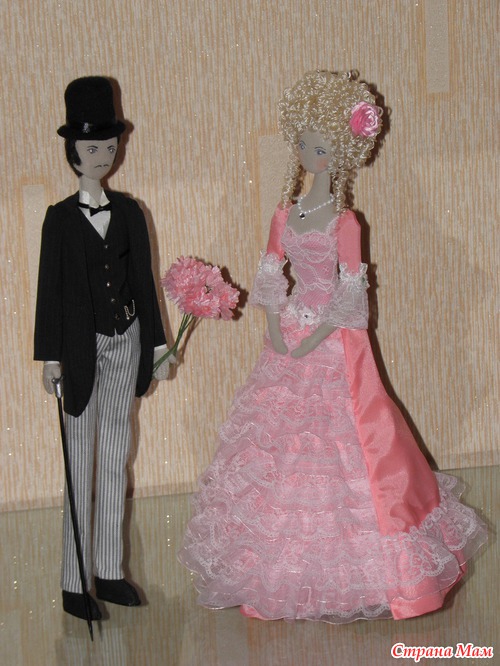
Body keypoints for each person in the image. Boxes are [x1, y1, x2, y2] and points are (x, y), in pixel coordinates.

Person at [178, 70, 487, 622]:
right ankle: (277, 575)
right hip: (290, 334)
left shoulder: (345, 222)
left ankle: (366, 575)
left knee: (342, 448)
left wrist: (316, 333)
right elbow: (271, 271)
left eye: (320, 147)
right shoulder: (286, 213)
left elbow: (349, 290)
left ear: (341, 152)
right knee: (277, 448)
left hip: (330, 341)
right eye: (304, 144)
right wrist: (277, 327)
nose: (309, 155)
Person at [34, 76, 171, 621]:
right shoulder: (59, 219)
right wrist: (50, 356)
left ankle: (110, 570)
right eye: (92, 148)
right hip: (80, 351)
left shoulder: (131, 212)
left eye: (110, 146)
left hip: (127, 341)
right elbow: (48, 291)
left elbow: (144, 282)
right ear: (73, 151)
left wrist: (157, 346)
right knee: (79, 464)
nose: (102, 156)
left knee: (115, 457)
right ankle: (74, 582)